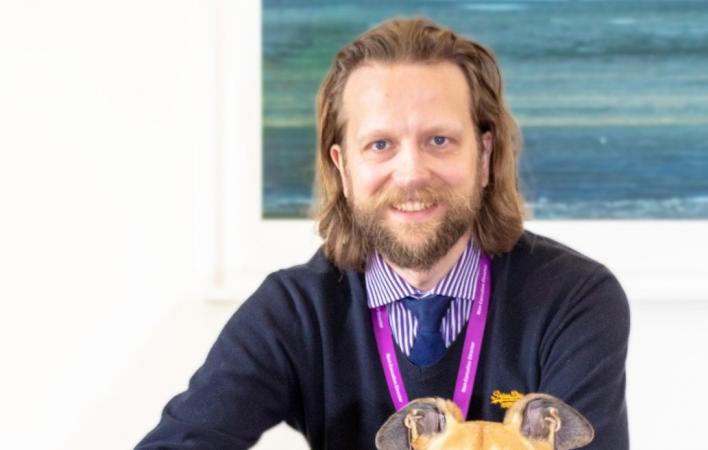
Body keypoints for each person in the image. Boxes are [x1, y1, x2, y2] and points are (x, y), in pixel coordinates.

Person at [137, 17, 629, 450]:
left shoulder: (573, 300)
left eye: (439, 140)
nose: (412, 171)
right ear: (343, 167)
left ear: (483, 157)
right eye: (380, 144)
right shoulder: (293, 312)